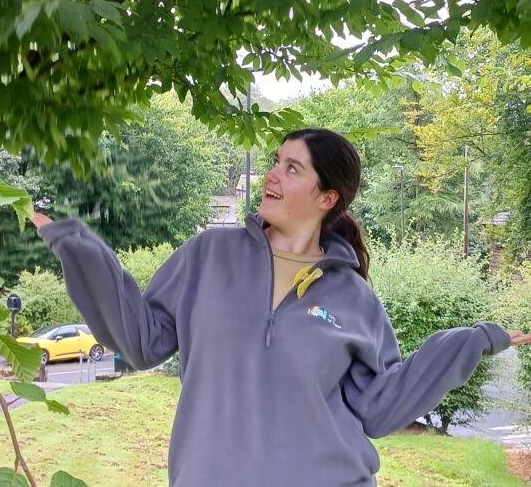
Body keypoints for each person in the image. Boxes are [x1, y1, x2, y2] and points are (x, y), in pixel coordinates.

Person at [32, 128, 531, 487]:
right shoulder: (209, 255)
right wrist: (77, 246)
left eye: (292, 168)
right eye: (275, 161)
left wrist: (470, 342)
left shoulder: (352, 297)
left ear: (326, 196)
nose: (272, 174)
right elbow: (140, 343)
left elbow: (381, 408)